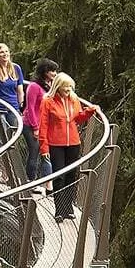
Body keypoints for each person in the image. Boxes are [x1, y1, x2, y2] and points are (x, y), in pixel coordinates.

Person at [41, 72, 94, 222]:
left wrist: (89, 112)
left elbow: (78, 118)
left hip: (73, 143)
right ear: (58, 87)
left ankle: (68, 207)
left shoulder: (74, 99)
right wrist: (44, 148)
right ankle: (59, 209)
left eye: (70, 87)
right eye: (65, 88)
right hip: (56, 144)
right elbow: (43, 125)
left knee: (72, 175)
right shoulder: (48, 101)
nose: (68, 90)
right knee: (59, 176)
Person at [21, 59, 56, 181]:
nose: (54, 73)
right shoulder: (34, 86)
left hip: (43, 124)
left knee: (45, 153)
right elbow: (30, 108)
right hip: (30, 124)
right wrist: (35, 128)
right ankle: (31, 181)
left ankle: (44, 182)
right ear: (45, 72)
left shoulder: (49, 86)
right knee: (34, 151)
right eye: (52, 71)